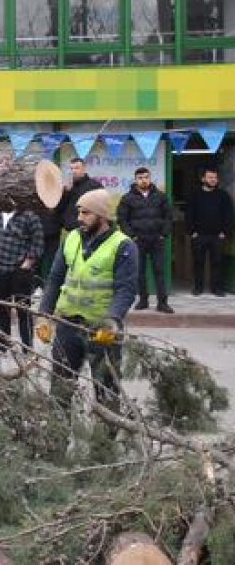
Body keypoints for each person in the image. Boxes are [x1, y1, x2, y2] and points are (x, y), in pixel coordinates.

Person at [38, 189, 138, 426]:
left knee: (106, 392)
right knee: (60, 390)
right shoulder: (71, 238)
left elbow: (126, 291)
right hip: (67, 325)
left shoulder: (123, 246)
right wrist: (43, 316)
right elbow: (54, 279)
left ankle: (105, 448)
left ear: (103, 216)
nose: (79, 218)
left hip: (102, 331)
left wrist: (112, 322)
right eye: (79, 212)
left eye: (85, 213)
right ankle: (56, 443)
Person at [116, 167, 174, 312]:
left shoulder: (160, 196)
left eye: (146, 177)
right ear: (135, 180)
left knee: (159, 271)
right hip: (138, 240)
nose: (144, 180)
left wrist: (163, 234)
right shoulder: (127, 198)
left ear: (150, 178)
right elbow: (122, 219)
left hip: (156, 239)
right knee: (139, 271)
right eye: (140, 178)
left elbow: (168, 216)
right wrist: (132, 236)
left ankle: (162, 303)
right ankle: (143, 300)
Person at [0, 209, 43, 351]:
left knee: (23, 310)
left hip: (20, 270)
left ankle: (27, 347)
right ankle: (2, 344)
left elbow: (38, 242)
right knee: (2, 309)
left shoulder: (30, 216)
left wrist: (27, 264)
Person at [186, 168, 233, 296]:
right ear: (203, 179)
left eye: (215, 178)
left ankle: (216, 289)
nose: (213, 180)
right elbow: (189, 214)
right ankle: (198, 288)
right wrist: (192, 232)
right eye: (210, 177)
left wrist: (225, 232)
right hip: (199, 235)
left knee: (217, 263)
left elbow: (229, 215)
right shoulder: (195, 195)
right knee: (198, 262)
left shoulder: (223, 195)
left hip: (217, 236)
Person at [56, 157, 99, 233]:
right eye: (71, 169)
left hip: (86, 228)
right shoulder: (69, 187)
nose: (73, 171)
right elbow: (61, 207)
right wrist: (65, 193)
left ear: (84, 169)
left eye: (76, 168)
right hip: (69, 229)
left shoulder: (93, 185)